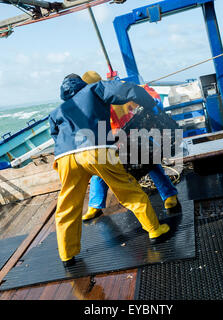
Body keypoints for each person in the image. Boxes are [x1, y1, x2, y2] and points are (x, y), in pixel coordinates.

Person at [49, 73, 170, 267]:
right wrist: (149, 103)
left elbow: (55, 135)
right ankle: (155, 230)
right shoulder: (94, 89)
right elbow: (127, 90)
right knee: (127, 189)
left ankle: (66, 254)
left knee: (67, 206)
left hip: (64, 156)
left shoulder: (57, 111)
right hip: (95, 149)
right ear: (81, 83)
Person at [80, 71, 180, 222]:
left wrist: (154, 103)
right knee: (99, 172)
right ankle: (95, 206)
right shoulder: (90, 103)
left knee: (150, 162)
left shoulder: (116, 90)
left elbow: (143, 92)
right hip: (112, 143)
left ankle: (169, 195)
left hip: (134, 135)